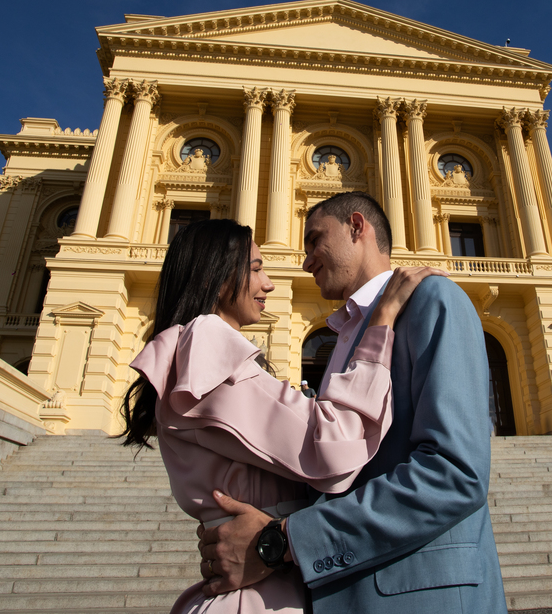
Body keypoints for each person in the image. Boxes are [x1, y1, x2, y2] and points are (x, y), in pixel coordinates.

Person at [198, 191, 507, 613]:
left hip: (423, 596)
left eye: (315, 240)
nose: (306, 261)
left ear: (357, 228)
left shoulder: (433, 299)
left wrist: (284, 540)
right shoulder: (349, 332)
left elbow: (454, 473)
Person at [121, 218, 442, 614]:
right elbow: (333, 445)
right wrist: (382, 320)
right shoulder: (206, 343)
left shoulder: (191, 349)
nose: (269, 284)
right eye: (256, 269)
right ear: (214, 277)